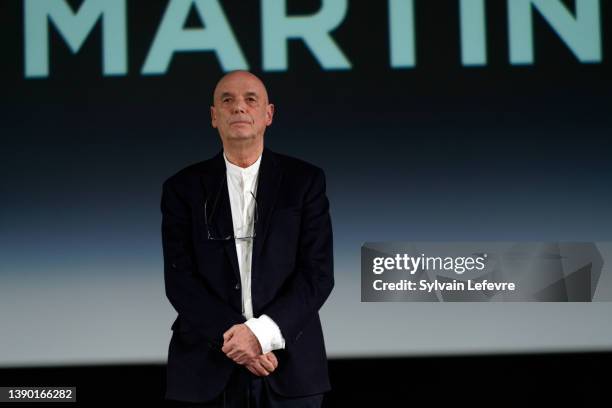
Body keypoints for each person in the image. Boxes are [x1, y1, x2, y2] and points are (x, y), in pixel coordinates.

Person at [161, 70, 334, 407]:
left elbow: (317, 274)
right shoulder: (182, 188)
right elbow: (180, 280)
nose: (239, 107)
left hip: (289, 366)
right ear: (214, 116)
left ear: (268, 114)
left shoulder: (305, 182)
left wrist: (260, 335)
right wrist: (237, 339)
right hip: (205, 368)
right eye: (227, 100)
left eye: (250, 99)